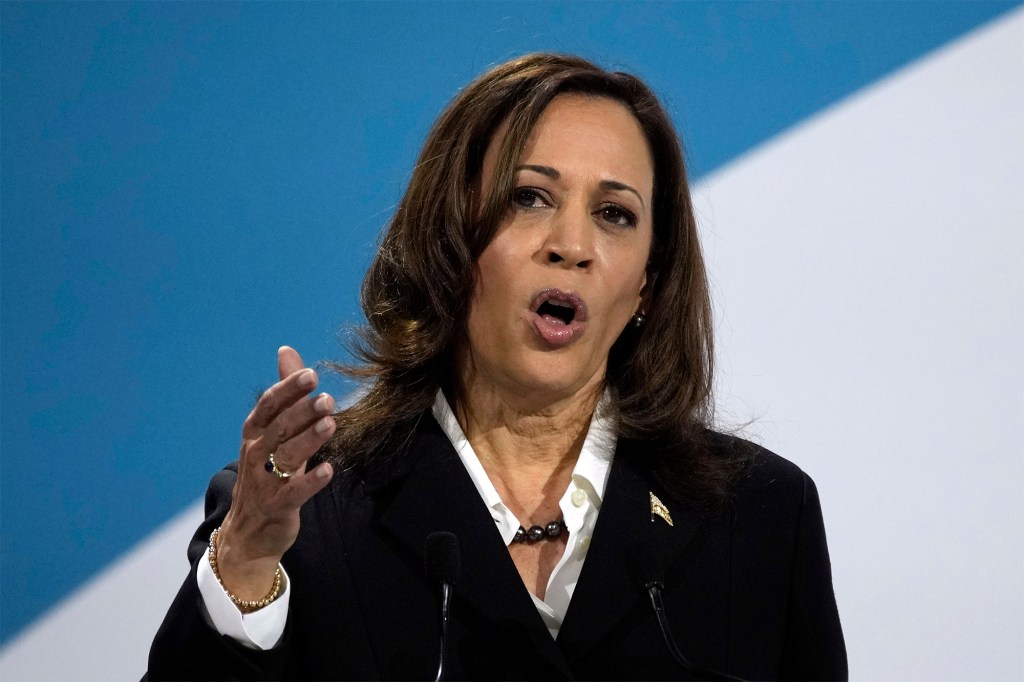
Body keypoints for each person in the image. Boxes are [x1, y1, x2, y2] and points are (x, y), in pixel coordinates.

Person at [147, 53, 847, 680]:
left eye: (614, 213)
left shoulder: (758, 518)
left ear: (647, 284)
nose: (572, 244)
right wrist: (242, 562)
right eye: (530, 197)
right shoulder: (308, 515)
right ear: (449, 239)